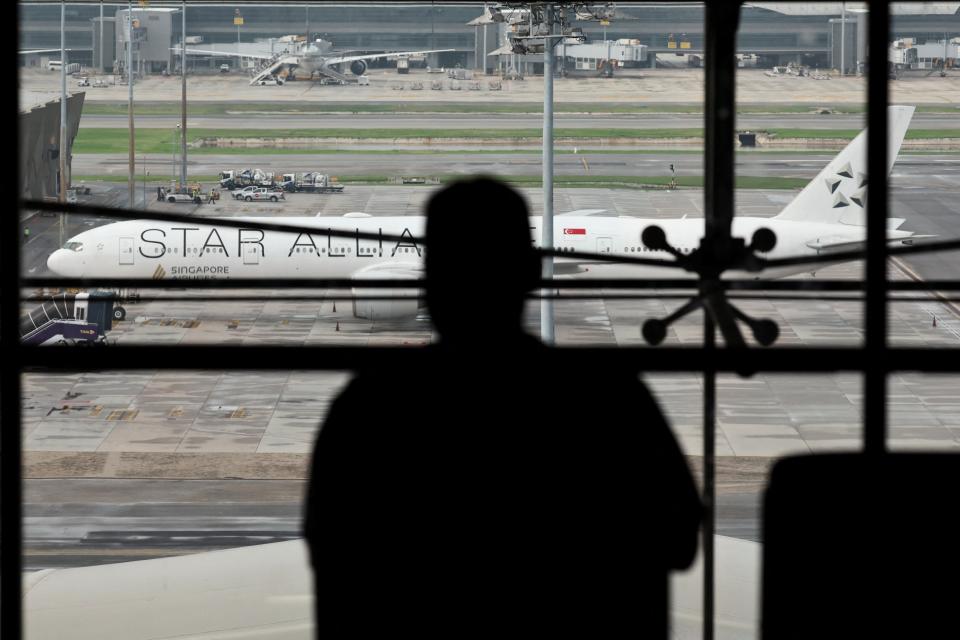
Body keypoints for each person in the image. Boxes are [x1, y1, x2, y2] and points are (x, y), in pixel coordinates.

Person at [304, 177, 701, 637]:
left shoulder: (369, 407)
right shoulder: (610, 397)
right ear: (531, 273)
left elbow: (328, 554)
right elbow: (680, 542)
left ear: (430, 281)